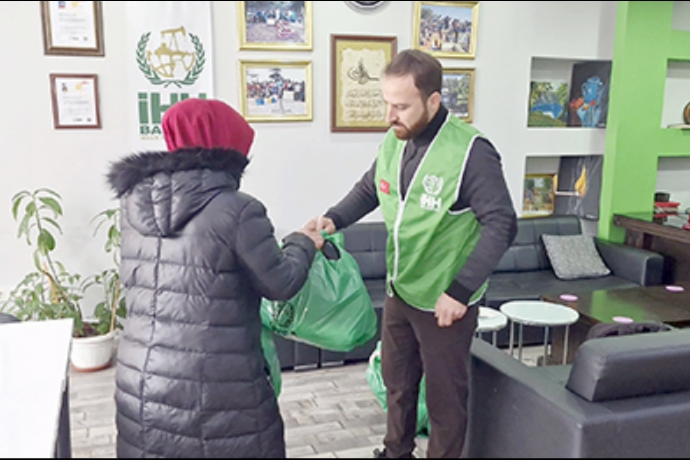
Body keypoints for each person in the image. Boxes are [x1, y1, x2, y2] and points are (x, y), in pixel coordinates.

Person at [305, 49, 518, 459]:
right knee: (397, 385)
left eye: (401, 106)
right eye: (386, 103)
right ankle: (396, 452)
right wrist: (333, 218)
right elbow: (371, 187)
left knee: (444, 402)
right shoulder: (396, 138)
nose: (389, 116)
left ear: (433, 101)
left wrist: (460, 291)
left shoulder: (471, 152)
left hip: (444, 302)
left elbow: (503, 224)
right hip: (400, 291)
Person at [107, 98, 324, 458]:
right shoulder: (237, 209)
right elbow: (281, 282)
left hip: (143, 377)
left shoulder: (133, 205)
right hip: (218, 384)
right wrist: (303, 243)